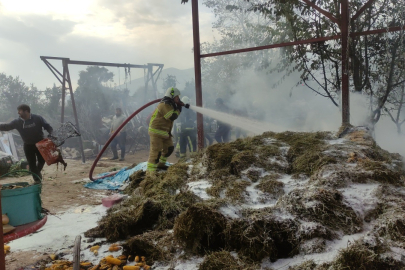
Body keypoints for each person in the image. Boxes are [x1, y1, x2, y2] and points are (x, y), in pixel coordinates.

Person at [0, 104, 53, 184]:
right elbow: (6, 127)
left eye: (20, 111)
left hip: (40, 144)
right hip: (28, 145)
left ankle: (36, 173)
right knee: (31, 163)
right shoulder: (17, 122)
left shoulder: (38, 118)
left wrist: (51, 133)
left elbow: (47, 126)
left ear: (26, 111)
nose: (18, 113)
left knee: (42, 161)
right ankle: (37, 180)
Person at [147, 87, 189, 174]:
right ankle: (150, 173)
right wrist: (178, 108)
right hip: (156, 132)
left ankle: (161, 165)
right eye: (177, 97)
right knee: (156, 152)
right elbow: (172, 117)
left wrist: (178, 106)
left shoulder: (170, 104)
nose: (178, 98)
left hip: (165, 132)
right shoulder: (164, 104)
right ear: (171, 95)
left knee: (169, 149)